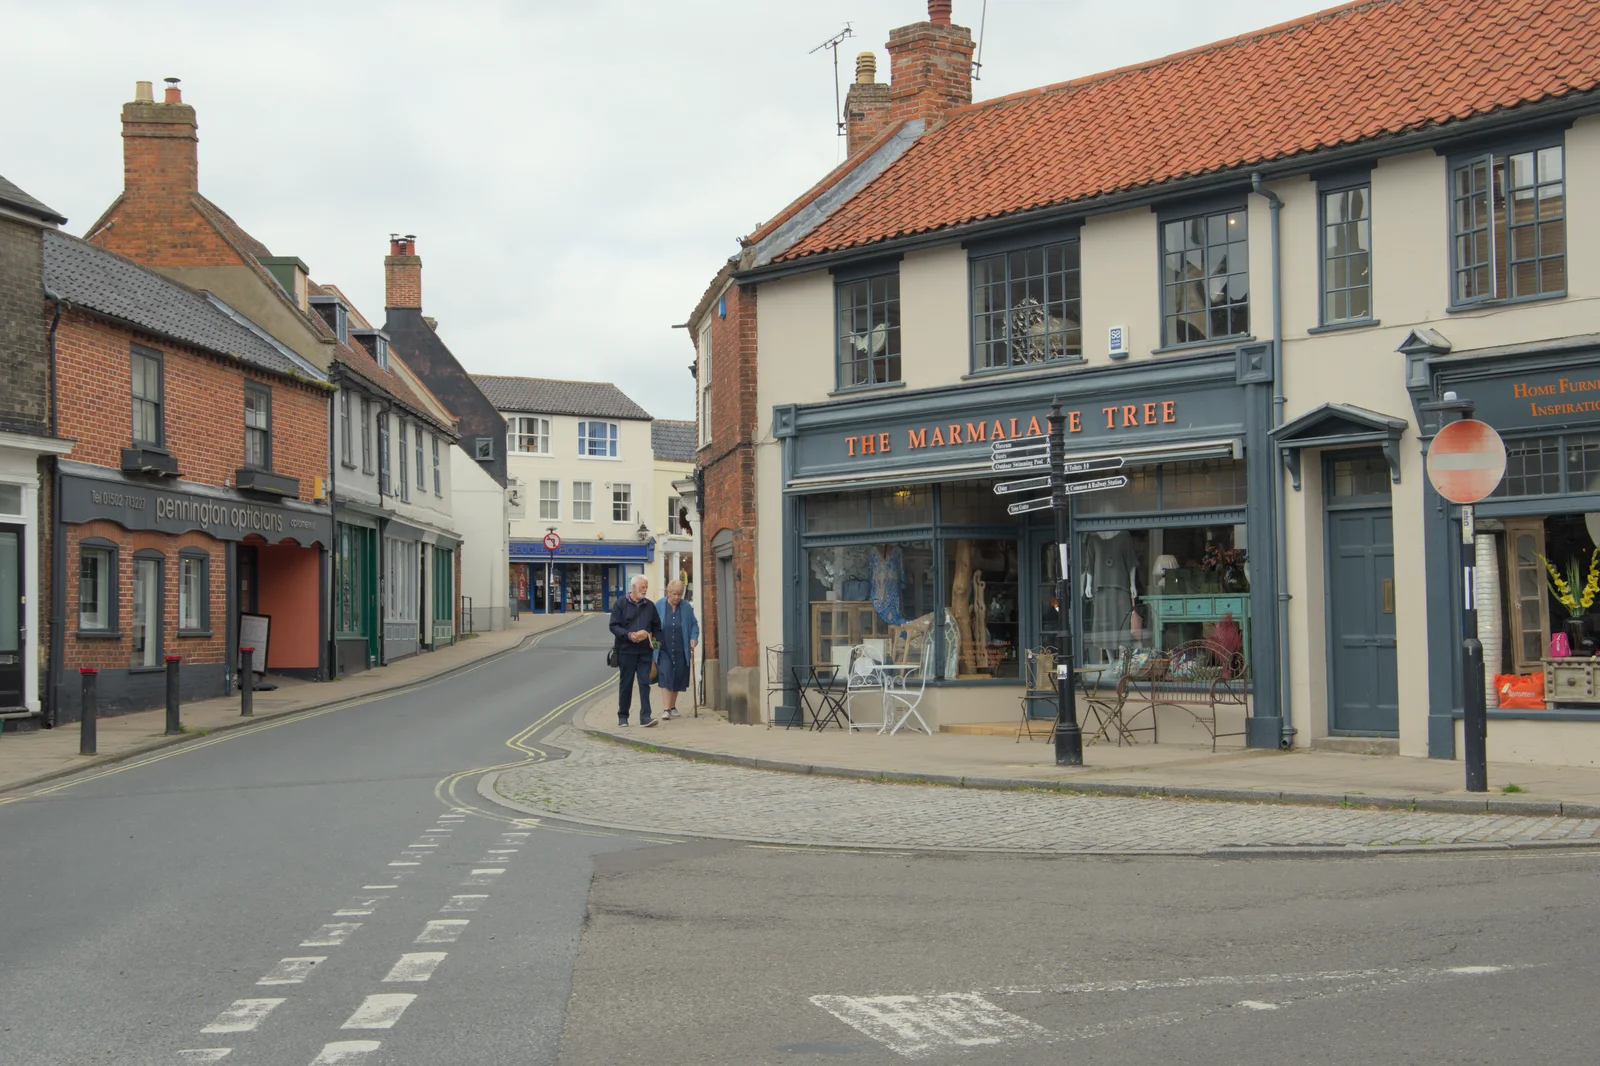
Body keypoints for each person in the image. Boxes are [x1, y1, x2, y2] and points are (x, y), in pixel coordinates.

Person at [609, 574, 661, 727]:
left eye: (646, 587)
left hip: (645, 651)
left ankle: (646, 717)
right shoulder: (620, 604)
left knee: (645, 683)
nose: (644, 590)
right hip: (627, 650)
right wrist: (629, 635)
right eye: (642, 587)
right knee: (626, 683)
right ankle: (623, 716)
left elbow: (657, 628)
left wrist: (656, 644)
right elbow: (613, 626)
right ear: (633, 587)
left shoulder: (650, 606)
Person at [654, 580, 699, 719]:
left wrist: (693, 638)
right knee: (666, 674)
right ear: (668, 592)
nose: (677, 597)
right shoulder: (659, 605)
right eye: (674, 594)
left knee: (677, 677)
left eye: (679, 594)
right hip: (664, 648)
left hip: (681, 647)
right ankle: (666, 709)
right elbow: (652, 625)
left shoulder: (685, 607)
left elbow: (694, 625)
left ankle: (672, 707)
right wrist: (654, 645)